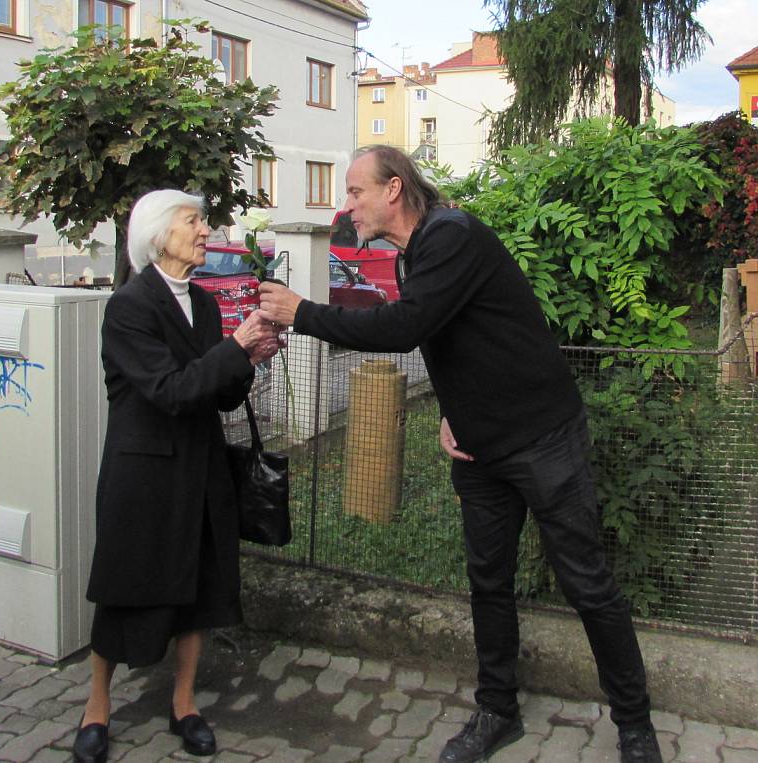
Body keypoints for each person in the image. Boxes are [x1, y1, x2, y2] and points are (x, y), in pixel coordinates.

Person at [257, 146, 663, 763]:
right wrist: (457, 408)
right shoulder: (418, 251)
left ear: (393, 189)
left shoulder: (451, 235)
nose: (347, 206)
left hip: (542, 439)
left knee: (588, 583)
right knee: (488, 584)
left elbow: (404, 328)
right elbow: (462, 334)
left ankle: (635, 725)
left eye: (355, 192)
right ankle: (497, 710)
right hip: (478, 450)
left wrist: (302, 312)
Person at [73, 190, 282, 763]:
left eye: (201, 219)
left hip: (201, 466)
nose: (203, 227)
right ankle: (96, 707)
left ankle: (184, 704)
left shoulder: (206, 304)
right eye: (192, 220)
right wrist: (233, 351)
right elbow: (169, 390)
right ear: (157, 234)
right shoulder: (129, 307)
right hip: (144, 475)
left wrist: (250, 358)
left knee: (198, 587)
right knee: (123, 588)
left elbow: (215, 393)